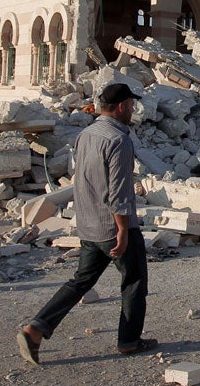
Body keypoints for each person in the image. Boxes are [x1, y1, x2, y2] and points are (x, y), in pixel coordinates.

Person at [17, 82, 156, 364]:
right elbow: (117, 190)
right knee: (134, 282)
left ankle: (36, 328)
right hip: (114, 226)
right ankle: (129, 340)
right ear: (121, 106)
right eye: (130, 105)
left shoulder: (86, 135)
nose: (132, 110)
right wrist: (122, 229)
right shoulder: (119, 140)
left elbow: (83, 179)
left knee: (81, 281)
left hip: (89, 224)